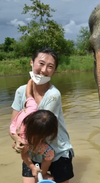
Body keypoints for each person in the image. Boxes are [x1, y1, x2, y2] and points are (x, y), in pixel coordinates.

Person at [10, 48, 74, 183]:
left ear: (54, 71)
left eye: (50, 67)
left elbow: (40, 129)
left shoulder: (53, 95)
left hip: (56, 150)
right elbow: (13, 124)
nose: (44, 70)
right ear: (32, 62)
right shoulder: (20, 92)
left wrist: (21, 139)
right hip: (32, 151)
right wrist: (17, 140)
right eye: (41, 63)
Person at [10, 79, 58, 180]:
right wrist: (32, 167)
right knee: (49, 153)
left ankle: (43, 173)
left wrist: (31, 81)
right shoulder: (26, 139)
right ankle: (39, 173)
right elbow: (24, 156)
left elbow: (28, 94)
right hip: (19, 133)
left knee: (49, 153)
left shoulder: (32, 107)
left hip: (23, 129)